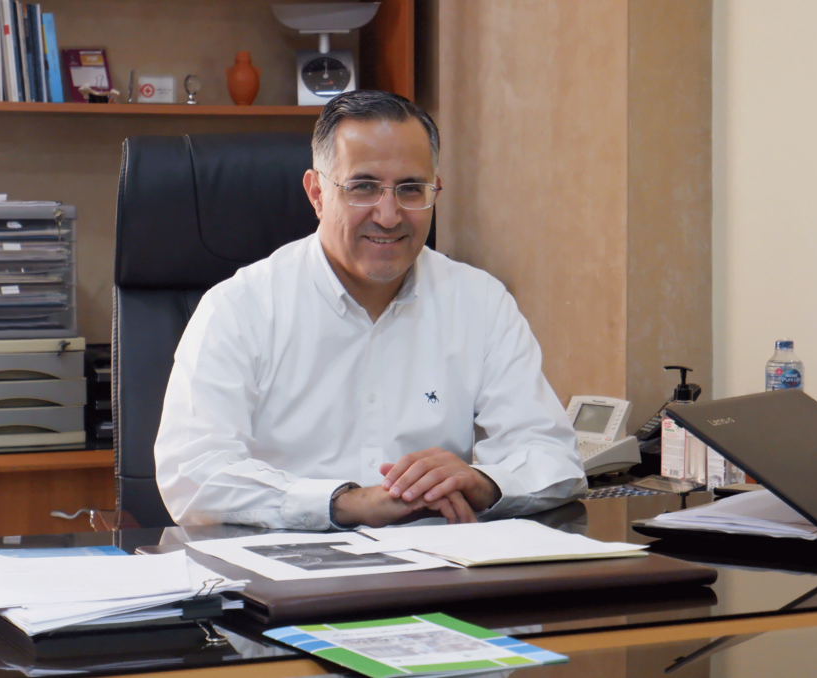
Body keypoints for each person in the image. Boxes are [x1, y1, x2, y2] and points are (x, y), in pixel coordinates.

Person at [155, 90, 586, 530]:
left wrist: (484, 482)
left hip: (436, 572)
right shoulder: (239, 308)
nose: (388, 214)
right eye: (363, 187)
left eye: (410, 189)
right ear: (317, 193)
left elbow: (554, 458)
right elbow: (193, 476)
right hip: (289, 577)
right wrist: (343, 504)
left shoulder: (480, 302)